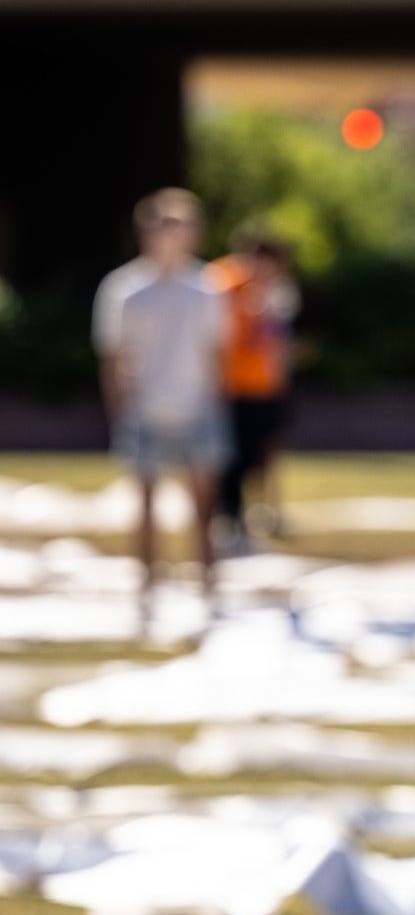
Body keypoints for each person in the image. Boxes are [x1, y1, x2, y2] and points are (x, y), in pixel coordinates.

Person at [92, 188, 230, 617]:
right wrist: (120, 406)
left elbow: (218, 352)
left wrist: (216, 402)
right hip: (145, 409)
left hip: (197, 407)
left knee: (204, 506)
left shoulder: (208, 287)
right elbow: (113, 355)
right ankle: (147, 588)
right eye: (166, 225)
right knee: (146, 506)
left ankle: (208, 586)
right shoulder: (124, 289)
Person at [208, 224, 299, 552]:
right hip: (231, 384)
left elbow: (278, 340)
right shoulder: (222, 281)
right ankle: (228, 516)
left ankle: (261, 511)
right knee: (231, 456)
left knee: (261, 452)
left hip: (266, 385)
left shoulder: (275, 289)